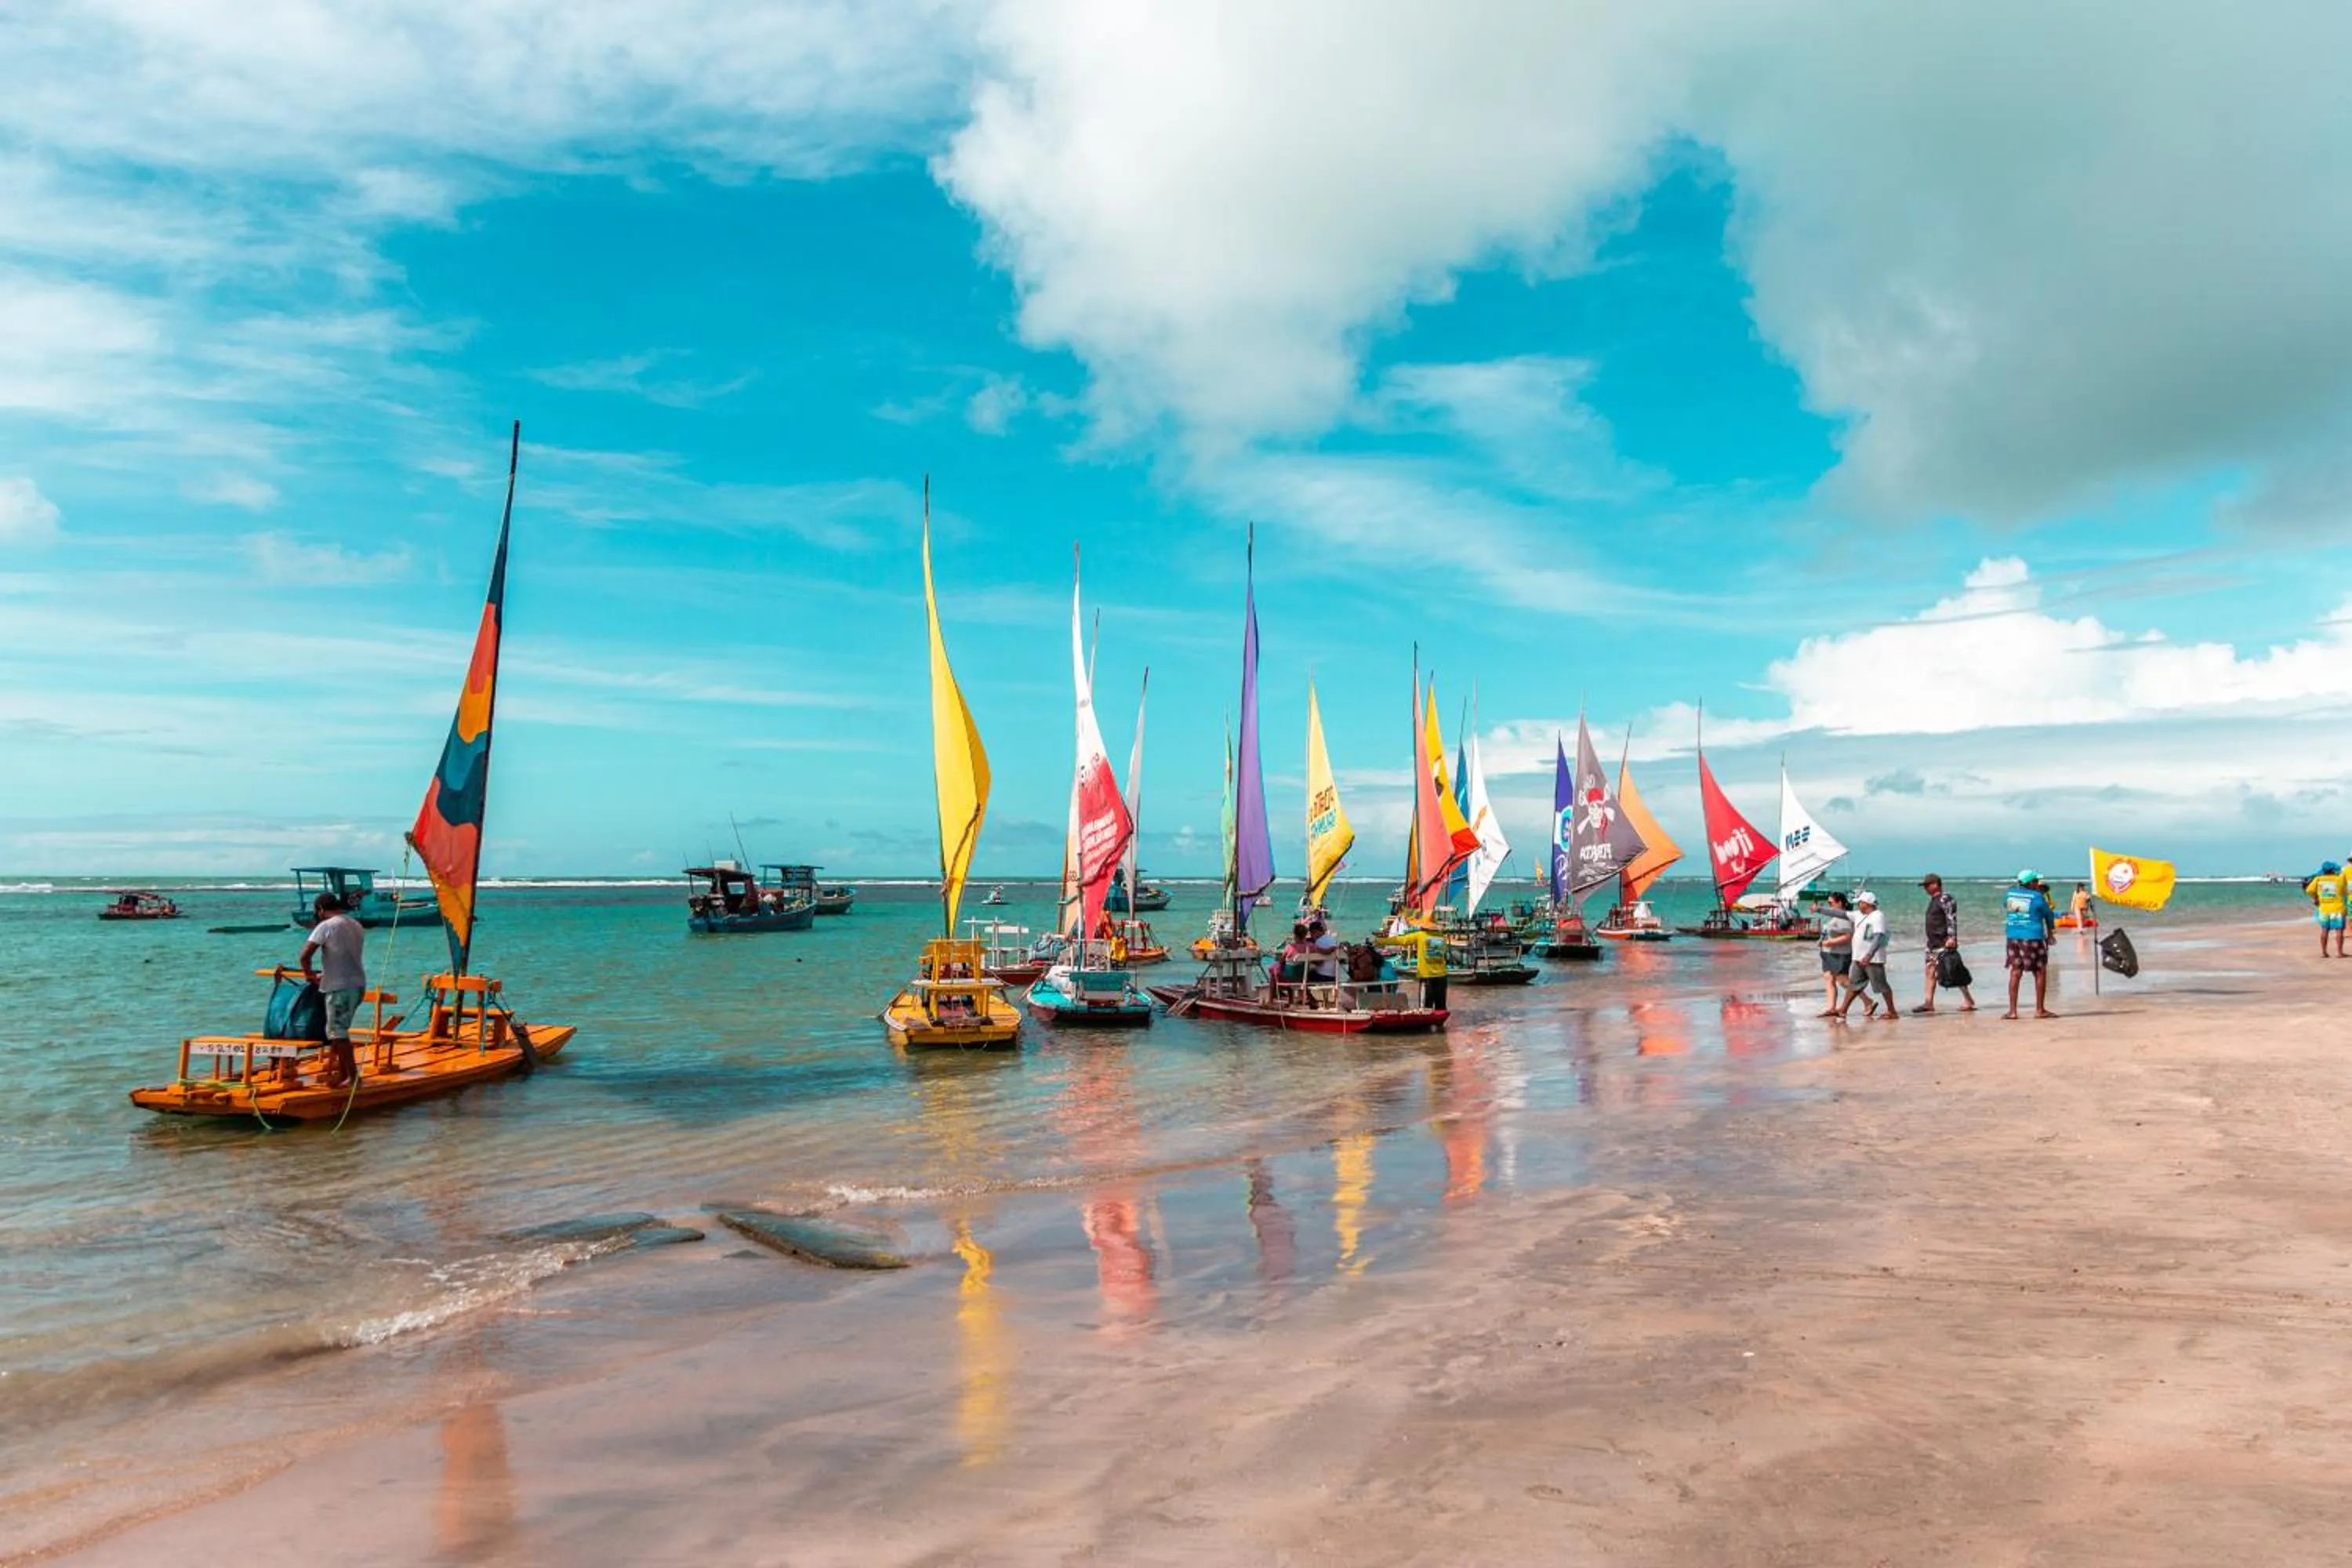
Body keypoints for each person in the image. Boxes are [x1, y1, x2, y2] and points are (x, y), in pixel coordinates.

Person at [299, 892, 365, 1088]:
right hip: (358, 984)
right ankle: (342, 1075)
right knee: (338, 1031)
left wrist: (309, 975)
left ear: (320, 909)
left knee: (337, 1032)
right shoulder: (355, 925)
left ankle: (354, 1078)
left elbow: (304, 956)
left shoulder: (326, 926)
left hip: (339, 987)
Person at [1913, 873, 1976, 1014]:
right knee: (1930, 971)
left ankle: (1968, 999)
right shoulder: (1933, 900)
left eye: (1927, 886)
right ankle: (1929, 1003)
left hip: (1944, 942)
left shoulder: (1945, 898)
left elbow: (1951, 918)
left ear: (1935, 884)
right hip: (1932, 943)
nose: (1925, 889)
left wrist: (1952, 938)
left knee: (1953, 971)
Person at [2002, 869, 2059, 1019]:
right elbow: (2049, 915)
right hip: (2032, 937)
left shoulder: (2010, 894)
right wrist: (2051, 934)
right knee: (2040, 971)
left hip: (2013, 937)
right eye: (2036, 881)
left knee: (2015, 971)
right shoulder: (2037, 897)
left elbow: (2006, 906)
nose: (2038, 884)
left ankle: (2012, 1011)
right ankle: (2040, 1010)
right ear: (2031, 883)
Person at [1835, 889, 1895, 1022]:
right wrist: (1819, 910)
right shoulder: (1859, 915)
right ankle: (1843, 1011)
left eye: (1860, 903)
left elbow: (1879, 937)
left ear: (1867, 903)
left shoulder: (1878, 916)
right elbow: (1841, 913)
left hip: (1873, 959)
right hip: (1858, 957)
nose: (1858, 905)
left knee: (1881, 985)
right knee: (1854, 985)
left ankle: (1892, 1011)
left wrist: (1869, 955)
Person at [1816, 891, 1853, 1017]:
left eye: (1831, 903)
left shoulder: (1843, 917)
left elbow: (1848, 936)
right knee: (1828, 978)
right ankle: (1831, 1008)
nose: (1829, 905)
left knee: (1843, 980)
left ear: (1840, 903)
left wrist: (1830, 942)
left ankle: (1867, 1001)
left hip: (1839, 953)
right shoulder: (1834, 916)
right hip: (1828, 953)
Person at [2305, 862, 2347, 958]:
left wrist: (2316, 898)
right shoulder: (2339, 879)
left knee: (2325, 930)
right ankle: (2340, 953)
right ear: (2333, 870)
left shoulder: (2318, 879)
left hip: (2324, 909)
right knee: (2339, 930)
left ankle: (2324, 952)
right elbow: (2345, 891)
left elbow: (2309, 890)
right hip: (2338, 908)